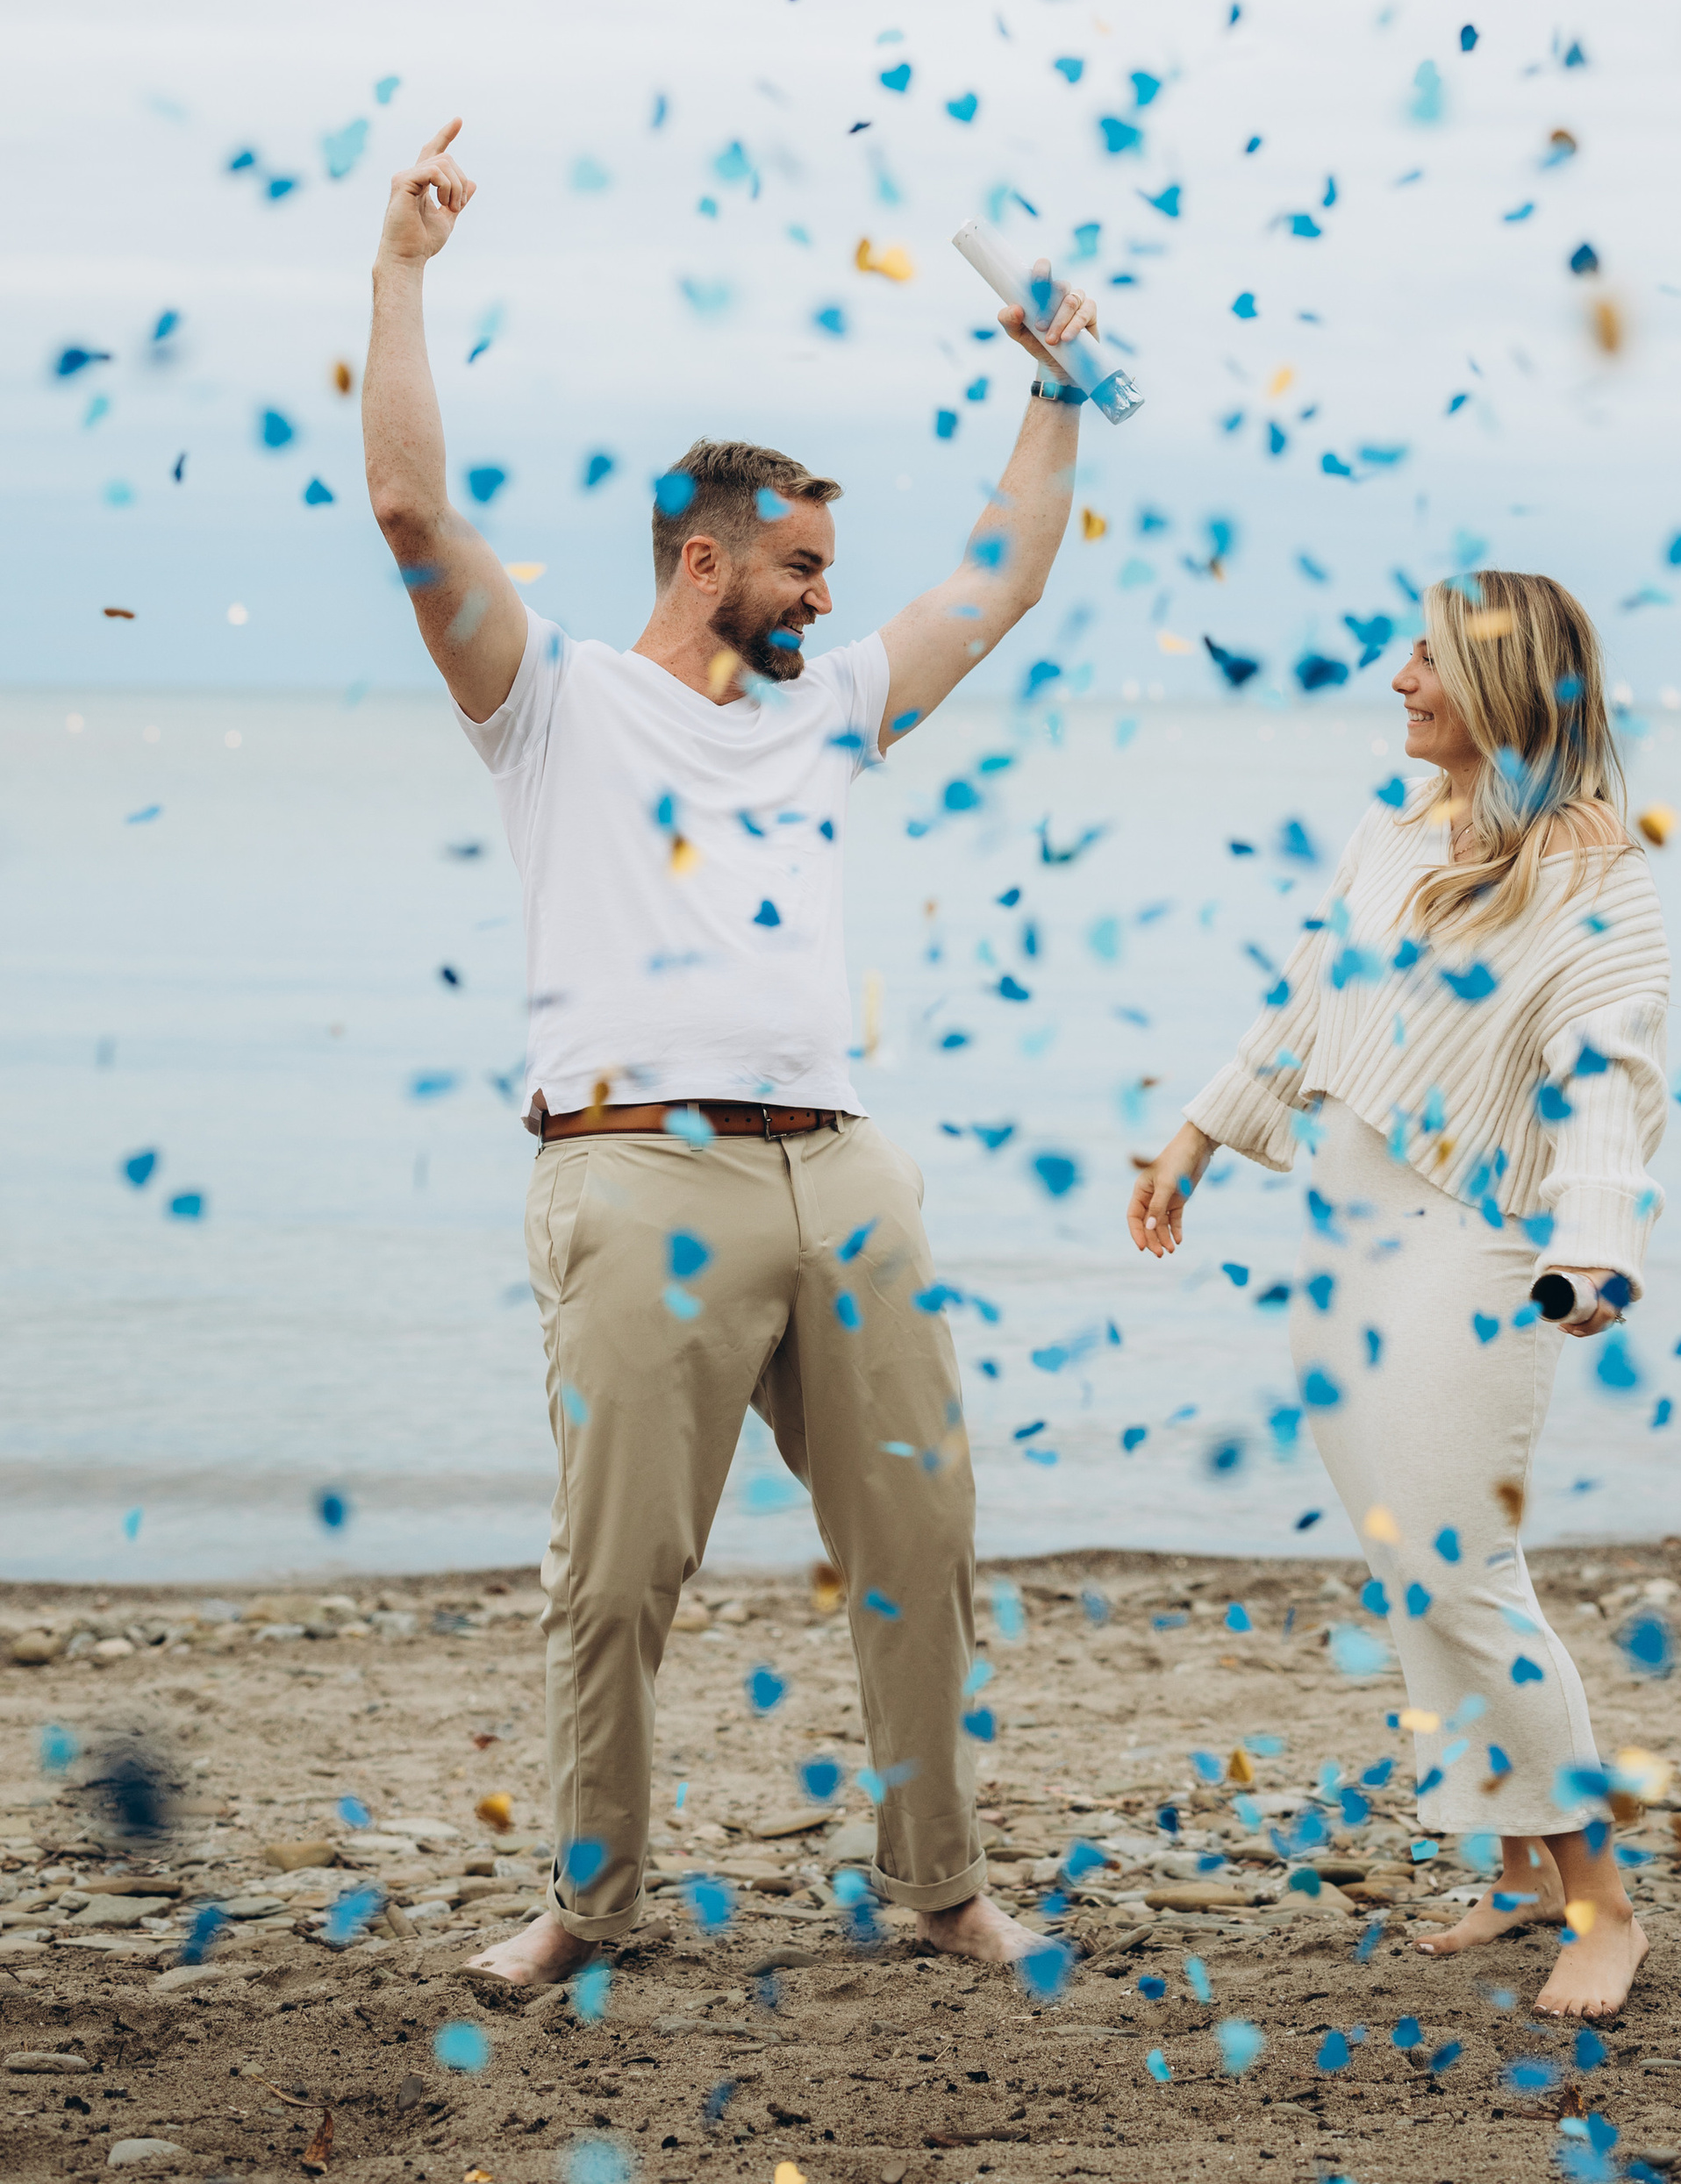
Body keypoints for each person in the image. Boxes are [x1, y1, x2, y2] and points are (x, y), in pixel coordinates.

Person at [361, 118, 1101, 1990]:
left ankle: (939, 1886)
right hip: (636, 1173)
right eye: (797, 563)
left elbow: (997, 581)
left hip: (836, 1170)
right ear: (700, 559)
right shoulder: (549, 702)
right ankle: (585, 1906)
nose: (827, 597)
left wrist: (1058, 391)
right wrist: (406, 268)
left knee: (918, 1551)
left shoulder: (828, 716)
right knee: (614, 1584)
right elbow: (409, 517)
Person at [1127, 573, 1670, 2020]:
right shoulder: (1397, 831)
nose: (1398, 676)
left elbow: (1613, 1070)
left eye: (1427, 655)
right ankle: (1512, 1872)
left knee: (1460, 1570)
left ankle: (1602, 1905)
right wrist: (1194, 1134)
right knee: (1402, 1560)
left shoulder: (1595, 871)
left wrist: (1596, 1241)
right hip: (1343, 1228)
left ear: (1502, 679)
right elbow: (1314, 990)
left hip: (1475, 1242)